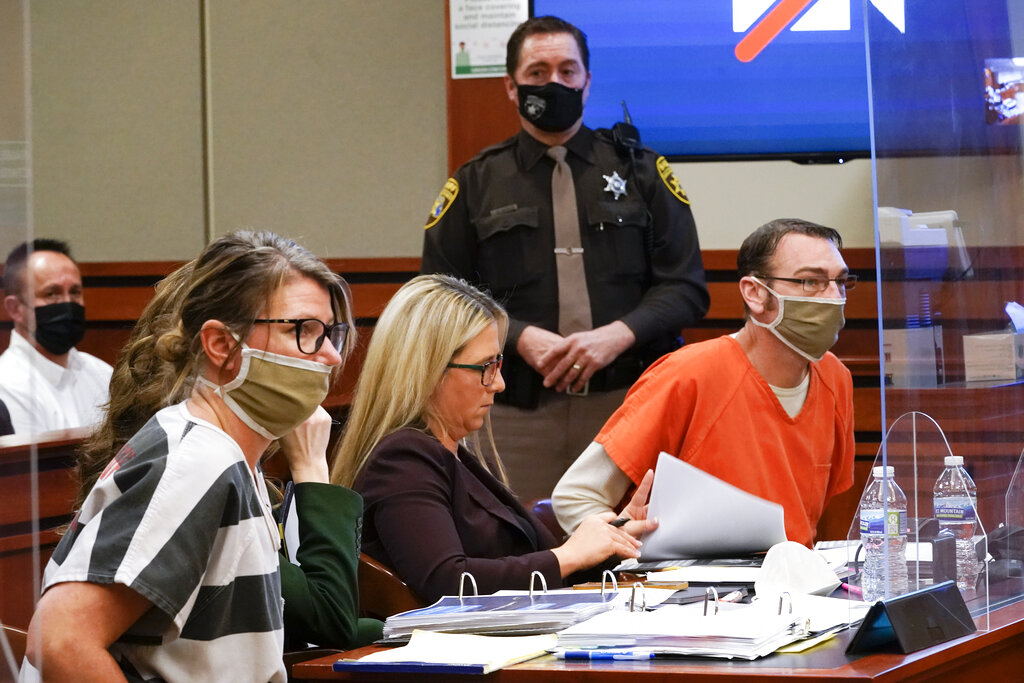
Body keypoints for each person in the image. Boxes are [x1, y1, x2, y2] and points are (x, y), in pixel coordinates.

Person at [21, 231, 378, 682]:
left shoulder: (226, 458)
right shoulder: (195, 460)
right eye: (303, 331)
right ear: (222, 345)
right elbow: (59, 640)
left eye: (332, 333)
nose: (329, 355)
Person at [421, 16, 710, 502]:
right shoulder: (475, 183)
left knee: (640, 551)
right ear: (511, 87)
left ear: (587, 81)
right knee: (518, 550)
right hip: (513, 412)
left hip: (630, 403)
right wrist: (516, 335)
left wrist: (617, 336)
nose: (553, 83)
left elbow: (686, 287)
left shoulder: (642, 171)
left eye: (567, 71)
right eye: (537, 73)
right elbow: (438, 297)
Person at [330, 274, 656, 603]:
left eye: (498, 363)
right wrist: (571, 554)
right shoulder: (403, 458)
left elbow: (533, 569)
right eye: (486, 366)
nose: (498, 384)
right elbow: (448, 581)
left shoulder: (455, 455)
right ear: (428, 369)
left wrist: (607, 545)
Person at [552, 219, 856, 548]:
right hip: (693, 591)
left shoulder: (836, 379)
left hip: (792, 586)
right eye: (811, 281)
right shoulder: (689, 374)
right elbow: (575, 496)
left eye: (840, 282)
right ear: (755, 293)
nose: (833, 297)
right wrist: (625, 546)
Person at [0, 239, 113, 435]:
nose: (68, 304)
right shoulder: (6, 384)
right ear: (15, 308)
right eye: (52, 294)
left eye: (75, 292)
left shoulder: (103, 374)